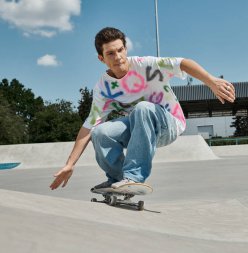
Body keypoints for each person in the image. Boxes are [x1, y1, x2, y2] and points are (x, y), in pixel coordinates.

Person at [49, 27, 235, 190]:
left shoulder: (145, 65)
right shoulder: (103, 88)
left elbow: (183, 62)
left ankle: (134, 178)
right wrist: (70, 164)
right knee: (100, 133)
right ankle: (118, 179)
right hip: (138, 129)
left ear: (126, 48)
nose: (118, 57)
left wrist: (211, 81)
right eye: (110, 54)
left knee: (143, 108)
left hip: (169, 124)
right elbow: (89, 125)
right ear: (101, 58)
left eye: (120, 50)